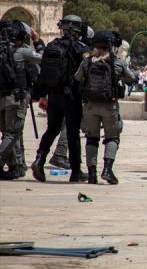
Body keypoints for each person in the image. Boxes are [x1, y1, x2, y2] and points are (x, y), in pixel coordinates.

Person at [31, 15, 89, 182]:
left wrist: (41, 95)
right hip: (72, 97)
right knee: (72, 133)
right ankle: (76, 171)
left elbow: (43, 73)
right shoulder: (80, 48)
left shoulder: (52, 46)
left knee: (52, 129)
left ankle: (40, 159)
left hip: (53, 96)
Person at [73, 30, 137, 184]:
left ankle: (92, 174)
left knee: (91, 139)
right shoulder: (117, 62)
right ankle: (107, 170)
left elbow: (77, 77)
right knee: (112, 138)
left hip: (90, 106)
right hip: (109, 106)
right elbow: (131, 78)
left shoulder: (88, 61)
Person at [0, 21, 42, 179]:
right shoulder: (22, 52)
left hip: (1, 97)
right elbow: (44, 58)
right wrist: (37, 41)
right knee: (12, 134)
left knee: (6, 134)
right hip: (15, 98)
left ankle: (14, 167)